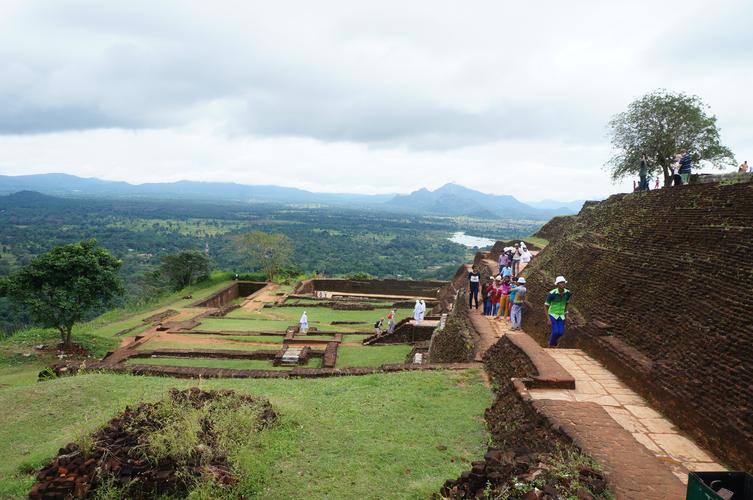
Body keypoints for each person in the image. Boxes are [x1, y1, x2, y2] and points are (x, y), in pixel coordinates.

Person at [545, 276, 572, 347]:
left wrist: (567, 315)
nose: (563, 284)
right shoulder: (552, 294)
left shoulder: (568, 293)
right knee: (555, 331)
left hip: (561, 315)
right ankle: (551, 345)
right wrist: (548, 319)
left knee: (561, 333)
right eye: (561, 283)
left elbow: (567, 303)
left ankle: (552, 341)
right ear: (557, 284)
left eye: (564, 283)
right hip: (553, 314)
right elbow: (545, 306)